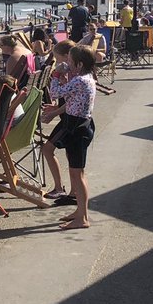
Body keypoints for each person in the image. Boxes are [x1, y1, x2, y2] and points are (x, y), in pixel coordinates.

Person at [42, 44, 97, 229]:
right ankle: (80, 212)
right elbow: (71, 99)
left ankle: (83, 218)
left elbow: (55, 93)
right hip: (80, 125)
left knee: (77, 174)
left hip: (77, 128)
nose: (68, 64)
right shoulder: (86, 78)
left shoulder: (80, 80)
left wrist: (56, 74)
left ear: (79, 64)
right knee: (77, 173)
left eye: (70, 62)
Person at [42, 40, 78, 204]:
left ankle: (61, 189)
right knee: (71, 156)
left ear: (67, 56)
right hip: (69, 118)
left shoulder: (73, 75)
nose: (56, 63)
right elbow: (69, 100)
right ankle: (72, 192)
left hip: (70, 121)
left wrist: (54, 113)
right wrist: (56, 107)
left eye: (58, 59)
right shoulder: (73, 73)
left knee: (48, 149)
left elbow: (70, 101)